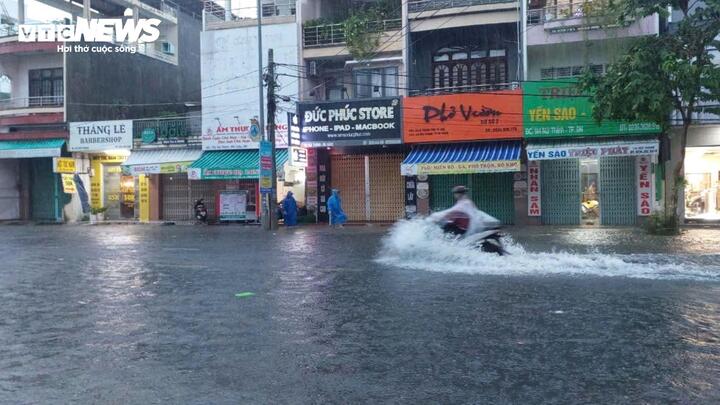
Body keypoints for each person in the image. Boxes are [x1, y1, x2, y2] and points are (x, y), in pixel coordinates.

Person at [428, 185, 500, 236]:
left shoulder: (464, 203)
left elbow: (452, 211)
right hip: (469, 227)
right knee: (449, 226)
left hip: (465, 228)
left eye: (455, 193)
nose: (454, 195)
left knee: (447, 229)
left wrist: (436, 216)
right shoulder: (466, 201)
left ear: (459, 194)